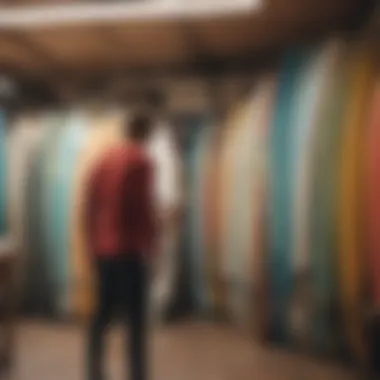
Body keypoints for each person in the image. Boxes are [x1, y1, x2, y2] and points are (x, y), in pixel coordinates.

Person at [84, 112, 158, 380]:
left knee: (101, 315)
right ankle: (137, 374)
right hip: (130, 249)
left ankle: (93, 370)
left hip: (103, 249)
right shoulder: (142, 161)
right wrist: (152, 244)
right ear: (146, 133)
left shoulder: (103, 160)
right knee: (136, 321)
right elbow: (142, 209)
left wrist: (91, 244)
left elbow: (88, 204)